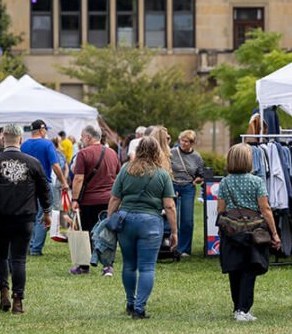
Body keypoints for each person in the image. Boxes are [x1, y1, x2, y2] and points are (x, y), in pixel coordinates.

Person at [0, 124, 51, 314]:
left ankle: (3, 291)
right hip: (25, 217)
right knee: (19, 259)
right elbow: (44, 190)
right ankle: (18, 300)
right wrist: (46, 212)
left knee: (1, 256)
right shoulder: (33, 163)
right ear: (20, 140)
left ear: (3, 139)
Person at [107, 136, 178, 319]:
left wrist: (109, 221)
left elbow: (115, 198)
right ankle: (140, 308)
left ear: (138, 150)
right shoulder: (162, 174)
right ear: (158, 151)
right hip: (151, 223)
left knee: (129, 265)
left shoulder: (126, 170)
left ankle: (130, 303)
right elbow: (169, 205)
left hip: (126, 221)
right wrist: (174, 231)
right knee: (147, 267)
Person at [217, 144, 281, 322]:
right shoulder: (256, 181)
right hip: (253, 233)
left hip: (231, 233)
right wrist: (274, 234)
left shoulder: (225, 182)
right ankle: (244, 310)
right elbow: (265, 209)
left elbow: (220, 209)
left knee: (234, 270)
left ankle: (237, 307)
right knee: (249, 269)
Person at [70, 124, 120, 276]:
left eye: (82, 136)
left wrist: (75, 199)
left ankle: (84, 266)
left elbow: (78, 179)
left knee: (85, 232)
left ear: (88, 137)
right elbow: (117, 177)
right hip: (109, 200)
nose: (80, 139)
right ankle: (108, 267)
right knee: (108, 233)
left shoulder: (83, 154)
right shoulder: (112, 153)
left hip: (88, 201)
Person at [21, 120, 70, 256]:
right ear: (41, 130)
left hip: (27, 185)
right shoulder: (47, 144)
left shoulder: (24, 145)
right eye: (45, 130)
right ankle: (36, 249)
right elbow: (55, 165)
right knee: (43, 215)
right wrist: (64, 181)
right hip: (43, 183)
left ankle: (29, 246)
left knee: (30, 215)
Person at [171, 129, 205, 257]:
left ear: (192, 143)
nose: (184, 143)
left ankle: (184, 249)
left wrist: (197, 180)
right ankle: (172, 245)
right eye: (182, 140)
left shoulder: (197, 157)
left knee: (187, 220)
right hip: (173, 185)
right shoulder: (172, 153)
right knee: (172, 217)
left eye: (187, 141)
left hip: (188, 187)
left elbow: (201, 175)